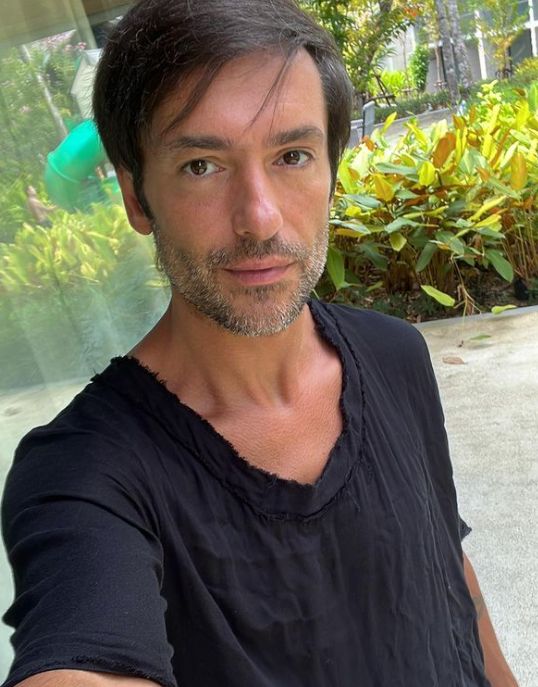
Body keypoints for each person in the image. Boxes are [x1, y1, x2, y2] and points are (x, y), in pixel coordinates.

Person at [1, 1, 518, 686]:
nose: (259, 218)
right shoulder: (85, 474)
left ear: (331, 170)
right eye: (201, 165)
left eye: (292, 156)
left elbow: (448, 570)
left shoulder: (396, 354)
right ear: (136, 196)